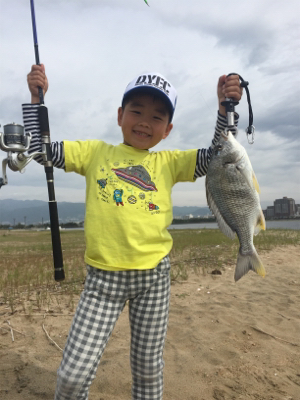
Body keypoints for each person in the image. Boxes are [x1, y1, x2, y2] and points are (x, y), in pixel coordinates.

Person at [24, 65, 242, 400]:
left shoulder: (168, 162)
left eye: (157, 117)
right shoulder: (96, 153)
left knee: (147, 369)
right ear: (119, 115)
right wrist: (36, 100)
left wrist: (226, 109)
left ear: (167, 130)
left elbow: (219, 157)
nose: (144, 121)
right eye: (136, 110)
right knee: (71, 376)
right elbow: (41, 151)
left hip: (154, 279)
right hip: (102, 282)